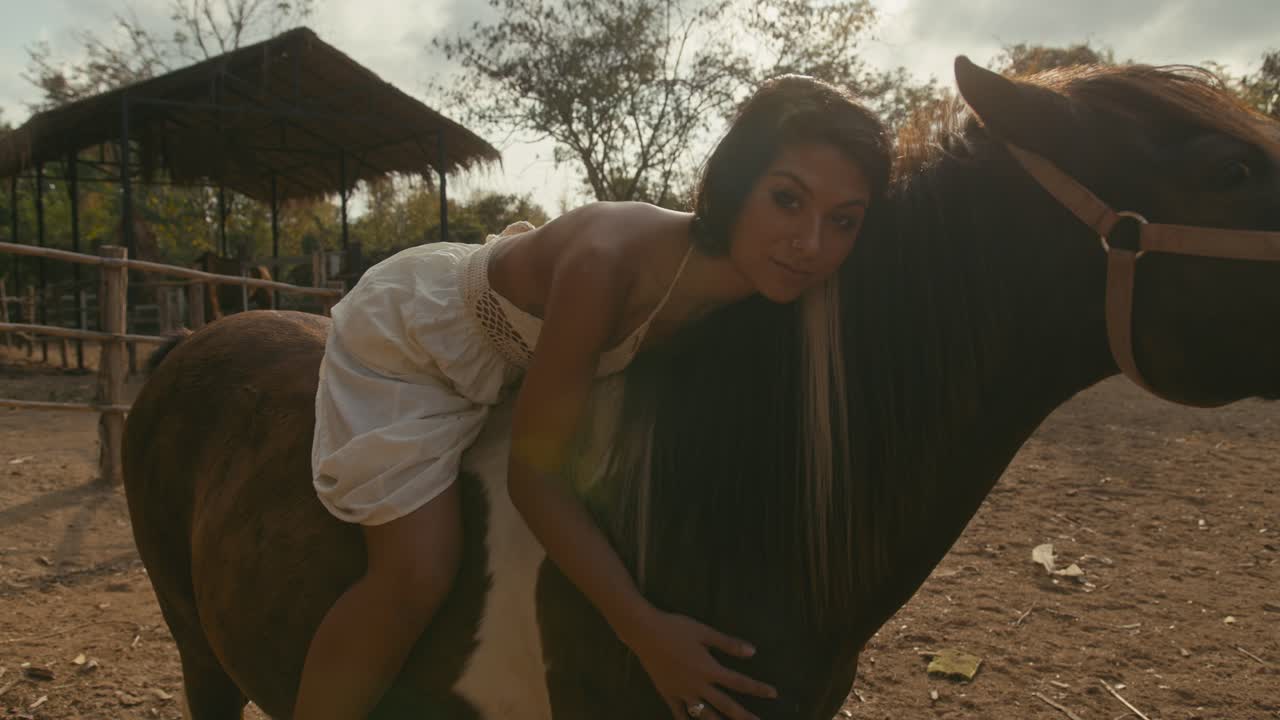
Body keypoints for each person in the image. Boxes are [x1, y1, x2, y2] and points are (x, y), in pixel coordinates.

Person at [296, 74, 891, 720]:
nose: (810, 245)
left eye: (844, 221)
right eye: (787, 200)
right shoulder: (606, 267)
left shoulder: (768, 282)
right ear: (738, 182)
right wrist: (643, 630)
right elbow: (533, 477)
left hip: (528, 360)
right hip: (417, 342)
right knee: (417, 571)